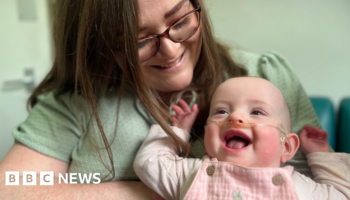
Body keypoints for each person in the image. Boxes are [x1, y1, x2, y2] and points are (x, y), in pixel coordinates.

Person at [0, 0, 324, 199]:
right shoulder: (73, 105)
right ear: (103, 48)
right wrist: (188, 189)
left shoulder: (264, 75)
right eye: (140, 41)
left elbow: (314, 183)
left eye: (180, 21)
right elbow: (12, 188)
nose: (171, 51)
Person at [134, 77, 350, 200]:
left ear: (287, 147)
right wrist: (178, 131)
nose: (235, 117)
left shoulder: (300, 188)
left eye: (256, 112)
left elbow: (342, 194)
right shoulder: (192, 173)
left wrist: (320, 155)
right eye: (221, 111)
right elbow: (149, 164)